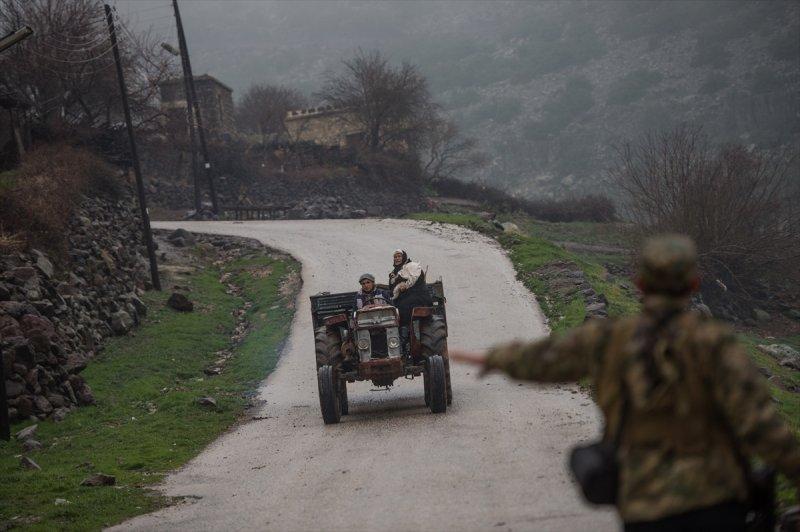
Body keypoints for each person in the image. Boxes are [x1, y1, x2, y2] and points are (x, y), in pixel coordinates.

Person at [450, 234, 800, 531]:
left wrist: (492, 358)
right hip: (716, 504)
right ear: (694, 284)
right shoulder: (715, 344)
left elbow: (546, 359)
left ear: (640, 284)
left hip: (643, 508)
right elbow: (761, 428)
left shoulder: (609, 341)